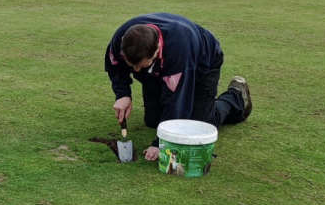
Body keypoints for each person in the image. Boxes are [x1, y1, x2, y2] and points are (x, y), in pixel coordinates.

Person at [105, 13, 252, 162]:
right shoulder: (122, 39)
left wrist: (159, 144)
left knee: (198, 125)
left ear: (156, 50)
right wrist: (123, 94)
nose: (136, 70)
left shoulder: (179, 51)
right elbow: (114, 65)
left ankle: (236, 96)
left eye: (140, 65)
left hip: (204, 61)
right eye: (131, 65)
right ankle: (152, 75)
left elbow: (178, 101)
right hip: (159, 68)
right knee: (153, 121)